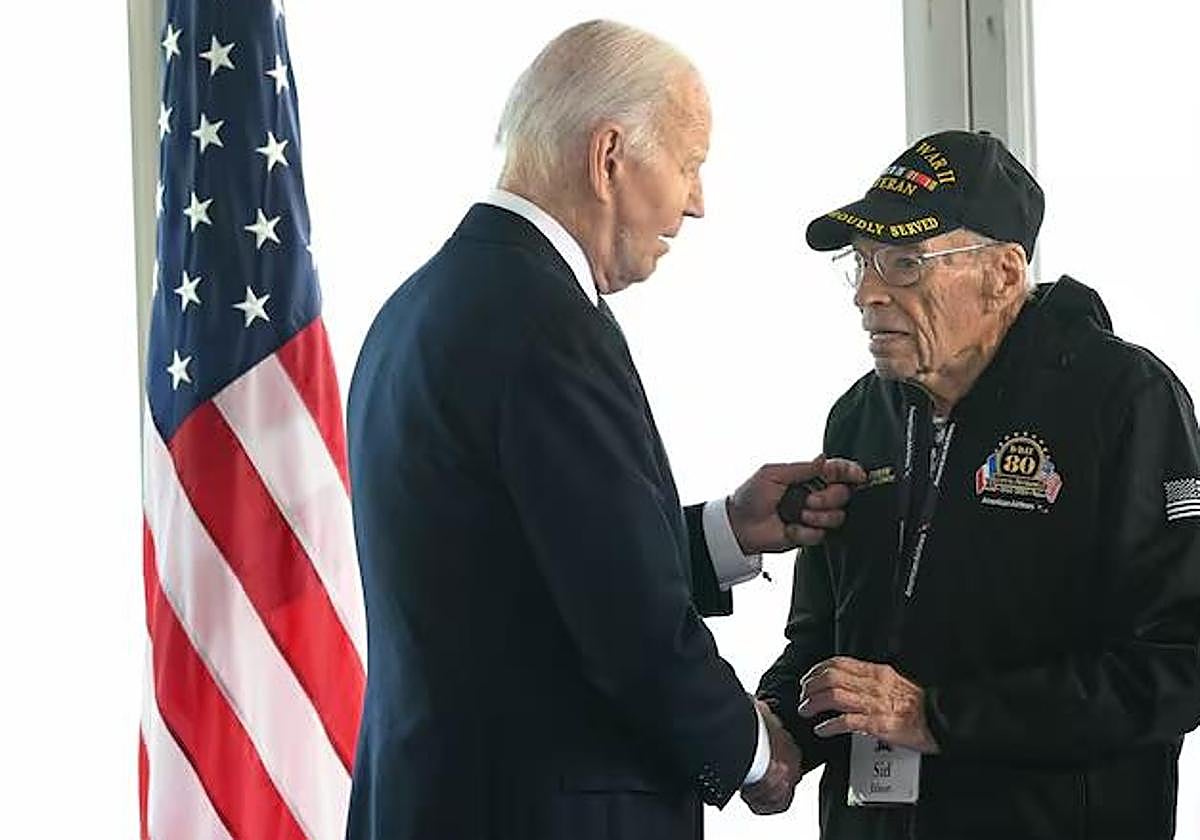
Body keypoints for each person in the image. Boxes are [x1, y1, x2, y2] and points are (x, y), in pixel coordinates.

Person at [344, 20, 862, 840]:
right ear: (609, 155)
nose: (696, 202)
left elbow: (525, 583)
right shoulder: (546, 324)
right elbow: (629, 631)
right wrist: (758, 753)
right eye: (690, 164)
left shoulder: (420, 306)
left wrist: (726, 531)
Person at [752, 129, 1200, 838]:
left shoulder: (1122, 398)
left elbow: (1176, 662)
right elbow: (824, 638)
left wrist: (936, 717)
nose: (868, 293)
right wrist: (777, 737)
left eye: (903, 263)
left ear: (1004, 273)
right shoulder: (861, 415)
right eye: (861, 263)